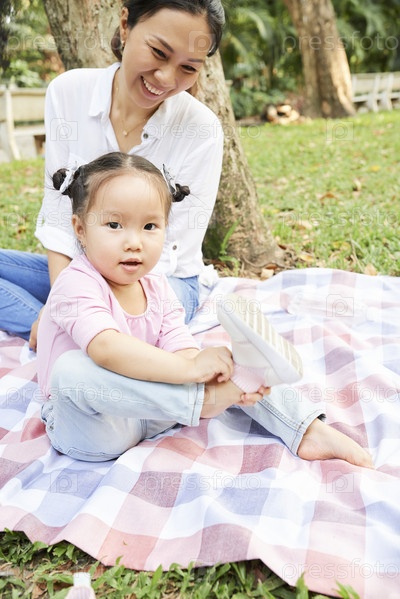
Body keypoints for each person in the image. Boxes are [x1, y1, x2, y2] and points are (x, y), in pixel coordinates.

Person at [37, 151, 373, 469]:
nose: (134, 242)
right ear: (80, 229)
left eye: (150, 227)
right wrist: (193, 373)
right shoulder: (74, 283)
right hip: (92, 428)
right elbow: (106, 349)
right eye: (114, 225)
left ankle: (305, 429)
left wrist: (209, 369)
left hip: (152, 410)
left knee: (229, 361)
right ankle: (207, 401)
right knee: (71, 370)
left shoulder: (156, 285)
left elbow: (180, 346)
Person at [0, 0, 226, 342]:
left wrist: (76, 309)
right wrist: (67, 299)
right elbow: (59, 217)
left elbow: (168, 250)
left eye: (188, 68)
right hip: (82, 269)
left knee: (106, 331)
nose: (166, 78)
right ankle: (66, 330)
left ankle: (74, 335)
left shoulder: (202, 129)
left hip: (161, 284)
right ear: (125, 25)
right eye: (158, 52)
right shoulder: (68, 92)